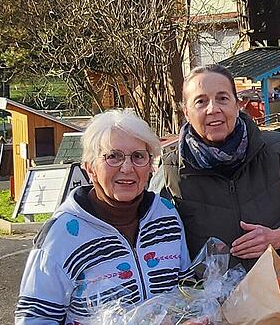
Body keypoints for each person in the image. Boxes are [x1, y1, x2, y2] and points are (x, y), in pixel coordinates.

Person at [15, 109, 190, 324]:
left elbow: (185, 289)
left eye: (138, 157)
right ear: (90, 168)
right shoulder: (60, 235)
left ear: (150, 167)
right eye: (113, 156)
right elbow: (35, 318)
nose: (127, 168)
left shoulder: (166, 216)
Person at [156, 64, 280, 272]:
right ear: (186, 112)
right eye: (200, 101)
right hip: (209, 301)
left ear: (237, 105)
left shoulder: (274, 151)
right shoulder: (171, 168)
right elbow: (153, 240)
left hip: (277, 294)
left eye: (222, 98)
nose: (213, 109)